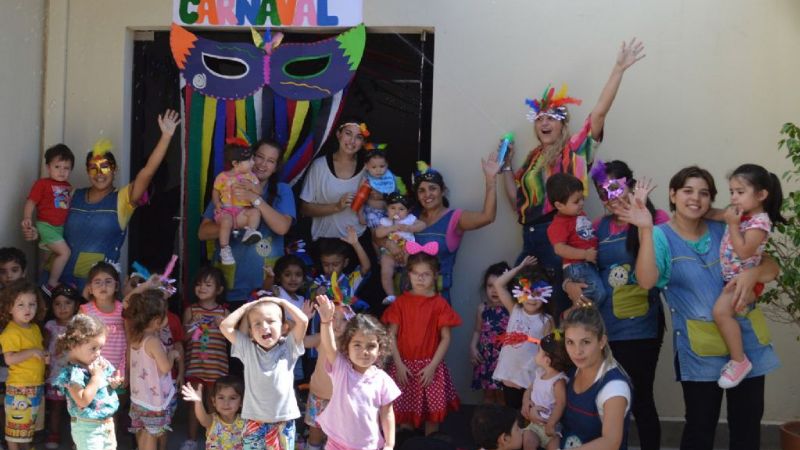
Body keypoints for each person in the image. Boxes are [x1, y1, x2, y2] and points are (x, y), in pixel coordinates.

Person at [618, 166, 780, 449]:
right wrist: (644, 229)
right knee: (699, 432)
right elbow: (646, 281)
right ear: (673, 195)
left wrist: (753, 273)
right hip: (701, 352)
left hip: (747, 345)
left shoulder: (728, 226)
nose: (696, 198)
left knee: (747, 431)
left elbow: (771, 267)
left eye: (704, 193)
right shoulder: (660, 236)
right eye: (687, 191)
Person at [501, 39, 645, 317]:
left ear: (563, 124)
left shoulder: (574, 151)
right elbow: (517, 203)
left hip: (560, 236)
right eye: (540, 118)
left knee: (561, 307)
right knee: (526, 307)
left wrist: (618, 69)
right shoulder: (532, 160)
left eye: (551, 118)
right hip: (530, 237)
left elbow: (598, 114)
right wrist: (506, 167)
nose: (544, 123)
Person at [564, 159, 669, 450]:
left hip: (641, 328)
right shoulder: (598, 227)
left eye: (613, 188)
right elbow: (578, 264)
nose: (608, 197)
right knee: (607, 398)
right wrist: (568, 285)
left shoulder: (656, 219)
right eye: (601, 193)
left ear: (630, 184)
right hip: (602, 329)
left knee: (641, 399)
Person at [22, 110, 180, 291]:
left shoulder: (123, 199)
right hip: (54, 284)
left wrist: (166, 137)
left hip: (95, 289)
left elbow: (147, 172)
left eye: (104, 167)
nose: (99, 174)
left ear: (114, 169)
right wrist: (35, 233)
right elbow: (51, 224)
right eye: (93, 168)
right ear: (87, 171)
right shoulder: (71, 194)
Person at [707, 164, 785, 389]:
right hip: (732, 279)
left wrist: (732, 224)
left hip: (744, 283)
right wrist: (701, 209)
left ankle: (739, 361)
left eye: (740, 192)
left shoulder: (759, 222)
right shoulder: (740, 214)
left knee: (720, 312)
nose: (734, 197)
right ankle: (739, 359)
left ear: (761, 195)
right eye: (732, 191)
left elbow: (744, 252)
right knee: (725, 312)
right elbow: (717, 214)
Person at [198, 139, 295, 308]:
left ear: (276, 167)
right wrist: (235, 222)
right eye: (259, 157)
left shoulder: (282, 190)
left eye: (270, 161)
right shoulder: (227, 184)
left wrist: (254, 199)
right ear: (249, 157)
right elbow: (203, 233)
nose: (262, 164)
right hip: (228, 285)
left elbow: (282, 227)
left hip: (265, 287)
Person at [382, 244, 461, 435]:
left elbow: (446, 338)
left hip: (430, 368)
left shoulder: (439, 304)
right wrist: (398, 364)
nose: (420, 278)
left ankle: (430, 443)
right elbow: (391, 335)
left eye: (425, 274)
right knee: (404, 417)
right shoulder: (401, 303)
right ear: (408, 274)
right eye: (416, 273)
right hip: (403, 366)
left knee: (432, 417)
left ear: (435, 275)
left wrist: (433, 366)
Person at [219, 297, 308, 450]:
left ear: (284, 328)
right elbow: (225, 326)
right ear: (251, 333)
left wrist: (282, 302)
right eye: (257, 323)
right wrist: (248, 306)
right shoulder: (248, 348)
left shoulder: (289, 347)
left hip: (283, 419)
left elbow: (303, 321)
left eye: (271, 321)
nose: (264, 327)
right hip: (254, 419)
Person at [314, 295, 401, 449]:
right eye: (357, 345)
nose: (364, 352)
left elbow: (387, 414)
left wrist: (389, 444)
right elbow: (329, 345)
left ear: (380, 349)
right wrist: (326, 322)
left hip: (367, 445)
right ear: (346, 346)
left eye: (371, 346)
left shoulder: (382, 380)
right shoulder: (341, 368)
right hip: (336, 443)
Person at [412, 156, 500, 302]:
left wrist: (491, 180)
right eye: (421, 190)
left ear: (443, 191)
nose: (427, 194)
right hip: (408, 297)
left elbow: (487, 217)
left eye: (432, 188)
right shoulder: (410, 216)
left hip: (438, 300)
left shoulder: (454, 218)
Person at [560, 306, 631, 449]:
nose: (577, 351)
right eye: (570, 342)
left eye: (586, 342)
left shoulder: (614, 388)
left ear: (601, 341)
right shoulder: (573, 371)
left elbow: (611, 442)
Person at [53, 314, 123, 450]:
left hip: (107, 424)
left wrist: (112, 383)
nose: (98, 353)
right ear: (73, 345)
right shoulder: (72, 372)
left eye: (100, 348)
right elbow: (82, 401)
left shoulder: (96, 364)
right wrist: (96, 377)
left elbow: (102, 385)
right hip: (87, 428)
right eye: (93, 348)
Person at [491, 256, 553, 409]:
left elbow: (548, 351)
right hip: (509, 374)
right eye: (527, 292)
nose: (532, 298)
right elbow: (499, 284)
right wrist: (520, 267)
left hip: (529, 379)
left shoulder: (546, 320)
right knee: (512, 414)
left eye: (537, 293)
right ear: (519, 292)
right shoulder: (515, 310)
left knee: (527, 414)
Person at [125, 289, 180, 450]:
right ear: (157, 320)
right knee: (151, 434)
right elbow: (165, 367)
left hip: (138, 398)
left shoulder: (134, 337)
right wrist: (172, 354)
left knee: (141, 430)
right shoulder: (153, 341)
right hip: (153, 400)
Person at [181, 266, 230, 450]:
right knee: (194, 403)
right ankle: (191, 440)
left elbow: (234, 339)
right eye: (199, 284)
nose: (202, 288)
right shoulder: (191, 310)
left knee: (213, 404)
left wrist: (224, 326)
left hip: (217, 367)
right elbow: (183, 338)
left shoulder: (224, 313)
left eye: (208, 285)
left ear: (219, 290)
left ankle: (215, 439)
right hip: (195, 365)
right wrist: (191, 326)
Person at [299, 119, 370, 241]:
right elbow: (304, 209)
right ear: (338, 134)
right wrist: (337, 207)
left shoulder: (369, 168)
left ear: (363, 142)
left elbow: (378, 205)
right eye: (348, 133)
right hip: (325, 240)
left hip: (357, 240)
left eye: (358, 137)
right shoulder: (319, 166)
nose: (352, 141)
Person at [0, 281, 48, 450]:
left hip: (35, 385)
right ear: (10, 308)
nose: (27, 309)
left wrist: (42, 356)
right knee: (15, 428)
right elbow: (9, 359)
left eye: (32, 304)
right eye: (20, 304)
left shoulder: (34, 328)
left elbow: (36, 352)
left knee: (28, 427)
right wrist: (32, 352)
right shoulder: (11, 332)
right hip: (20, 388)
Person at [21, 144, 75, 295]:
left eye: (66, 168)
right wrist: (27, 218)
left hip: (60, 228)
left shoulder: (68, 186)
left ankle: (40, 286)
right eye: (57, 167)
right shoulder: (42, 184)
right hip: (47, 226)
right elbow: (31, 202)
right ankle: (52, 282)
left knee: (46, 262)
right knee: (64, 253)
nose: (61, 171)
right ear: (48, 167)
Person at [545, 173, 605, 305]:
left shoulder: (579, 214)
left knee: (599, 292)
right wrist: (584, 254)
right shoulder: (558, 225)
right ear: (559, 205)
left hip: (587, 263)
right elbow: (560, 249)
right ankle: (580, 314)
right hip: (576, 266)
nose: (582, 203)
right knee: (596, 293)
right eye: (576, 201)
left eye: (582, 198)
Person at [301, 301, 350, 450]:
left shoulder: (354, 344)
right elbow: (300, 342)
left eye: (344, 319)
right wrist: (304, 320)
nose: (337, 324)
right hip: (318, 397)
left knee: (337, 440)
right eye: (333, 317)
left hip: (342, 400)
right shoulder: (321, 337)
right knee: (314, 439)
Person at [42, 284, 82, 449]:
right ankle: (54, 433)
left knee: (76, 408)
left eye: (67, 303)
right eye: (57, 304)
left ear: (76, 305)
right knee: (56, 407)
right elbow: (44, 348)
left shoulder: (79, 324)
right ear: (52, 307)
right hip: (55, 374)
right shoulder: (50, 325)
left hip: (75, 376)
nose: (62, 307)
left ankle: (77, 438)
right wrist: (44, 368)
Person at [212, 139, 264, 265]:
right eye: (249, 160)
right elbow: (215, 191)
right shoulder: (222, 177)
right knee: (226, 221)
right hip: (225, 211)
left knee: (255, 212)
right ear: (235, 163)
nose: (253, 162)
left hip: (243, 212)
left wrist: (252, 187)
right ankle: (225, 249)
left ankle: (250, 231)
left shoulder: (251, 176)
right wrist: (217, 203)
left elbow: (259, 191)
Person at [470, 262, 511, 405]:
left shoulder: (512, 309)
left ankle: (502, 419)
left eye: (500, 286)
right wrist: (473, 347)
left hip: (504, 360)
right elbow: (477, 330)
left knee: (502, 396)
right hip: (486, 359)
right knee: (487, 395)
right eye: (490, 286)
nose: (494, 290)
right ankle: (486, 419)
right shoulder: (482, 308)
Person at [521, 332, 570, 450]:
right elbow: (529, 389)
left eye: (539, 351)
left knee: (554, 446)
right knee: (528, 442)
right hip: (534, 426)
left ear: (547, 360)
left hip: (552, 427)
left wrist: (551, 424)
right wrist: (525, 401)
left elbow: (561, 403)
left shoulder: (558, 381)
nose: (536, 354)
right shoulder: (540, 373)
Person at [374, 192, 425, 305]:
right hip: (389, 252)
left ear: (408, 211)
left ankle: (411, 292)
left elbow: (422, 225)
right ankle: (391, 295)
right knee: (385, 271)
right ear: (387, 209)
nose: (396, 212)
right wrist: (391, 228)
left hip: (407, 249)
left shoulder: (409, 219)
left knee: (411, 269)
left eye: (401, 209)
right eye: (392, 208)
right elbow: (378, 233)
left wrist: (409, 228)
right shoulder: (386, 221)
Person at [181, 375, 245, 450]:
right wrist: (198, 402)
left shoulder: (245, 422)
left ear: (241, 402)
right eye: (221, 398)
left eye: (232, 398)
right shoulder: (213, 420)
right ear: (214, 401)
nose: (226, 403)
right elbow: (202, 418)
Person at [312, 228, 371, 306]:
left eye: (335, 264)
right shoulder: (316, 283)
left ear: (345, 263)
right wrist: (316, 296)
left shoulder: (350, 280)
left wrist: (355, 244)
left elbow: (366, 267)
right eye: (326, 264)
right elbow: (308, 306)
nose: (330, 269)